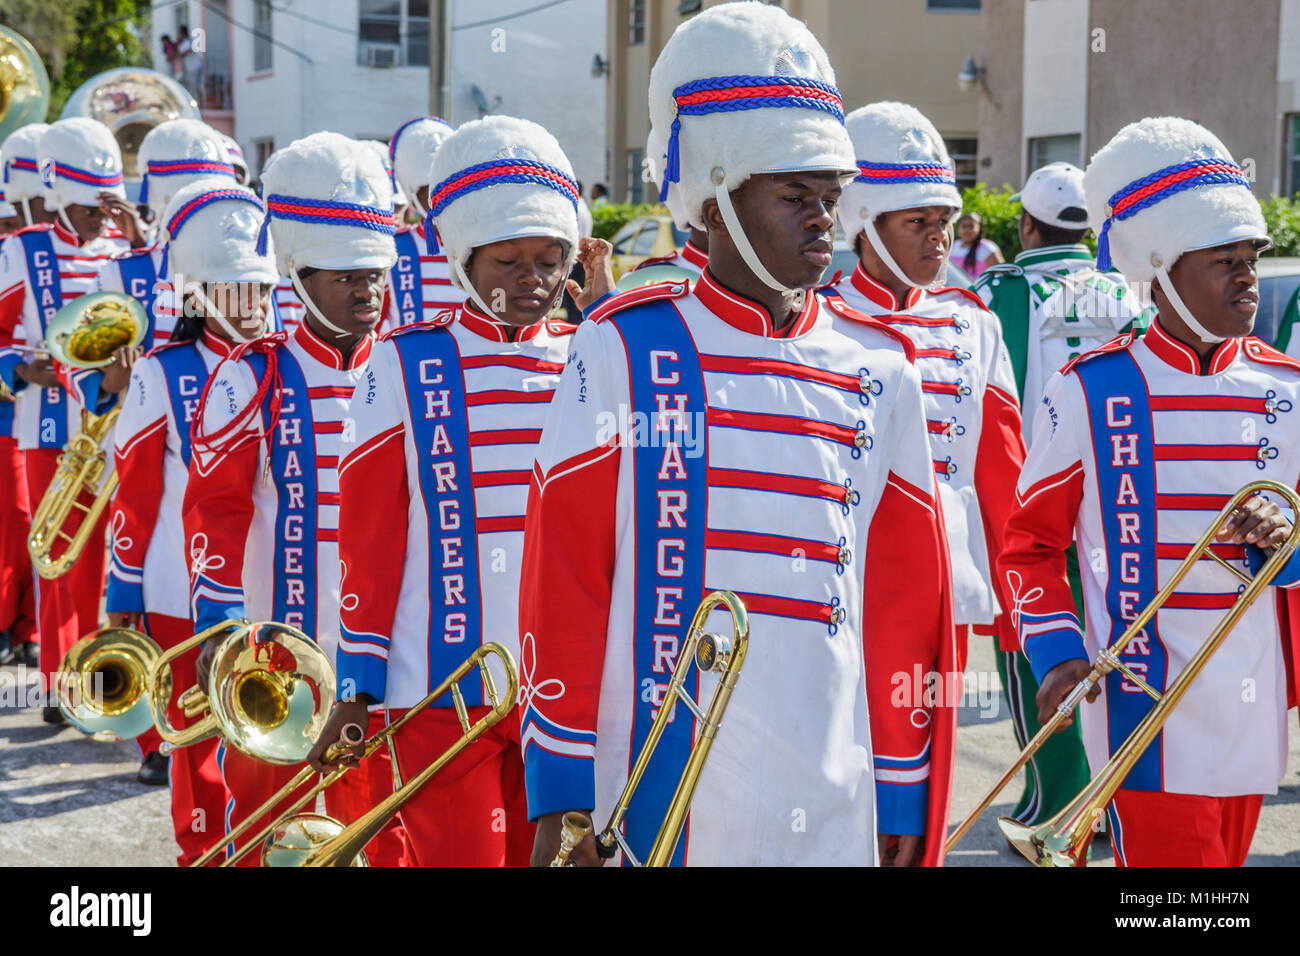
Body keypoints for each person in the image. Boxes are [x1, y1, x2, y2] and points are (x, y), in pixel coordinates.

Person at [519, 2, 957, 868]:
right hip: (653, 790)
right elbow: (564, 581)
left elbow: (907, 598)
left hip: (833, 785)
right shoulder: (621, 345)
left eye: (831, 198)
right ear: (714, 199)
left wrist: (905, 783)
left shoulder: (883, 367)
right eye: (795, 197)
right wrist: (561, 796)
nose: (824, 220)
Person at [307, 115, 613, 866]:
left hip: (567, 687)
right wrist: (357, 683)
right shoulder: (403, 363)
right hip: (439, 686)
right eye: (507, 259)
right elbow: (371, 541)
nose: (531, 279)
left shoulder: (596, 357)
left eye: (550, 259)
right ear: (460, 258)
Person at [999, 116, 1300, 867]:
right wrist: (1058, 652)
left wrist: (1288, 535)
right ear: (1160, 271)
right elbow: (1030, 545)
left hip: (1253, 693)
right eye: (1223, 260)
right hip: (1140, 697)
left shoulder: (1286, 387)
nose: (1246, 277)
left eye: (1251, 258)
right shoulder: (1094, 387)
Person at [181, 132, 405, 866]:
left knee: (379, 828)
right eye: (345, 278)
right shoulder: (255, 375)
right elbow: (214, 509)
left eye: (374, 276)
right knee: (268, 827)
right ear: (298, 278)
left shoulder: (412, 368)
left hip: (387, 658)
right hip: (275, 659)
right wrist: (220, 632)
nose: (366, 293)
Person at [971, 160, 1150, 831]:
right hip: (1118, 497)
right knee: (1114, 639)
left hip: (1029, 501)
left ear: (1025, 224)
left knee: (1033, 648)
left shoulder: (997, 288)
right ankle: (1110, 799)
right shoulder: (1127, 290)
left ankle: (1060, 803)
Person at [825, 102, 1023, 680]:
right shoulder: (819, 318)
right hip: (847, 580)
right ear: (865, 224)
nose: (938, 239)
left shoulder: (973, 321)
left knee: (926, 768)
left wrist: (1026, 606)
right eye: (917, 223)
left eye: (943, 221)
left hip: (945, 578)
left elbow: (1002, 466)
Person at [107, 180, 275, 862]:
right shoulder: (161, 370)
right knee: (200, 741)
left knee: (268, 743)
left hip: (268, 590)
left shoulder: (283, 364)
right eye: (238, 290)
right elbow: (136, 491)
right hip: (180, 590)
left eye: (262, 289)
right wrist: (124, 595)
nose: (256, 305)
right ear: (198, 296)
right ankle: (199, 852)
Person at [0, 118, 132, 720]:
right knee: (57, 555)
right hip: (48, 423)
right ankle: (60, 682)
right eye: (88, 211)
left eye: (105, 210)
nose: (98, 222)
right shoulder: (22, 249)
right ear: (60, 198)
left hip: (117, 426)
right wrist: (25, 372)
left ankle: (102, 672)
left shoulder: (124, 249)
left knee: (112, 557)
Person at [385, 116, 465, 329]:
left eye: (449, 187)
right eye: (428, 190)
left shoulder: (484, 243)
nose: (440, 199)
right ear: (412, 193)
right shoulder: (393, 248)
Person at [949, 211, 1002, 280]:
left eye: (971, 226)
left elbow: (1000, 274)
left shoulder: (987, 248)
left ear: (980, 228)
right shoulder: (953, 246)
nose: (967, 230)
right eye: (964, 226)